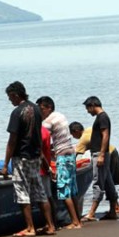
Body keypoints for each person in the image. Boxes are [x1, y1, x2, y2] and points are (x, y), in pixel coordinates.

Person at [1, 81, 55, 237]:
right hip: (35, 156)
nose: (10, 101)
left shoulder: (18, 112)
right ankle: (50, 225)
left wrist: (6, 163)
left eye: (10, 97)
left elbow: (12, 140)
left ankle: (30, 228)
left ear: (16, 95)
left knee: (22, 192)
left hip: (22, 157)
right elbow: (38, 134)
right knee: (39, 192)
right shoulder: (37, 110)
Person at [69, 121, 119, 213]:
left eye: (72, 134)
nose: (73, 137)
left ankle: (117, 207)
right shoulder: (90, 129)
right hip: (112, 150)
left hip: (105, 156)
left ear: (76, 131)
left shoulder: (82, 140)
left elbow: (75, 156)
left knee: (107, 180)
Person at [36, 96, 82, 229]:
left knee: (63, 189)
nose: (40, 112)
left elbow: (43, 139)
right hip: (70, 153)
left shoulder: (48, 122)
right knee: (72, 189)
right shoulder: (61, 116)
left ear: (49, 107)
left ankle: (74, 222)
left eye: (41, 109)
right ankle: (79, 220)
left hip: (62, 155)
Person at [80, 96, 118, 221]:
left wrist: (101, 154)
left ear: (92, 105)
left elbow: (105, 135)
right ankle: (113, 211)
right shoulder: (102, 117)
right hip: (100, 153)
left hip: (99, 154)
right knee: (108, 182)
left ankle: (91, 213)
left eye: (88, 108)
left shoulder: (102, 117)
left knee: (98, 183)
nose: (87, 111)